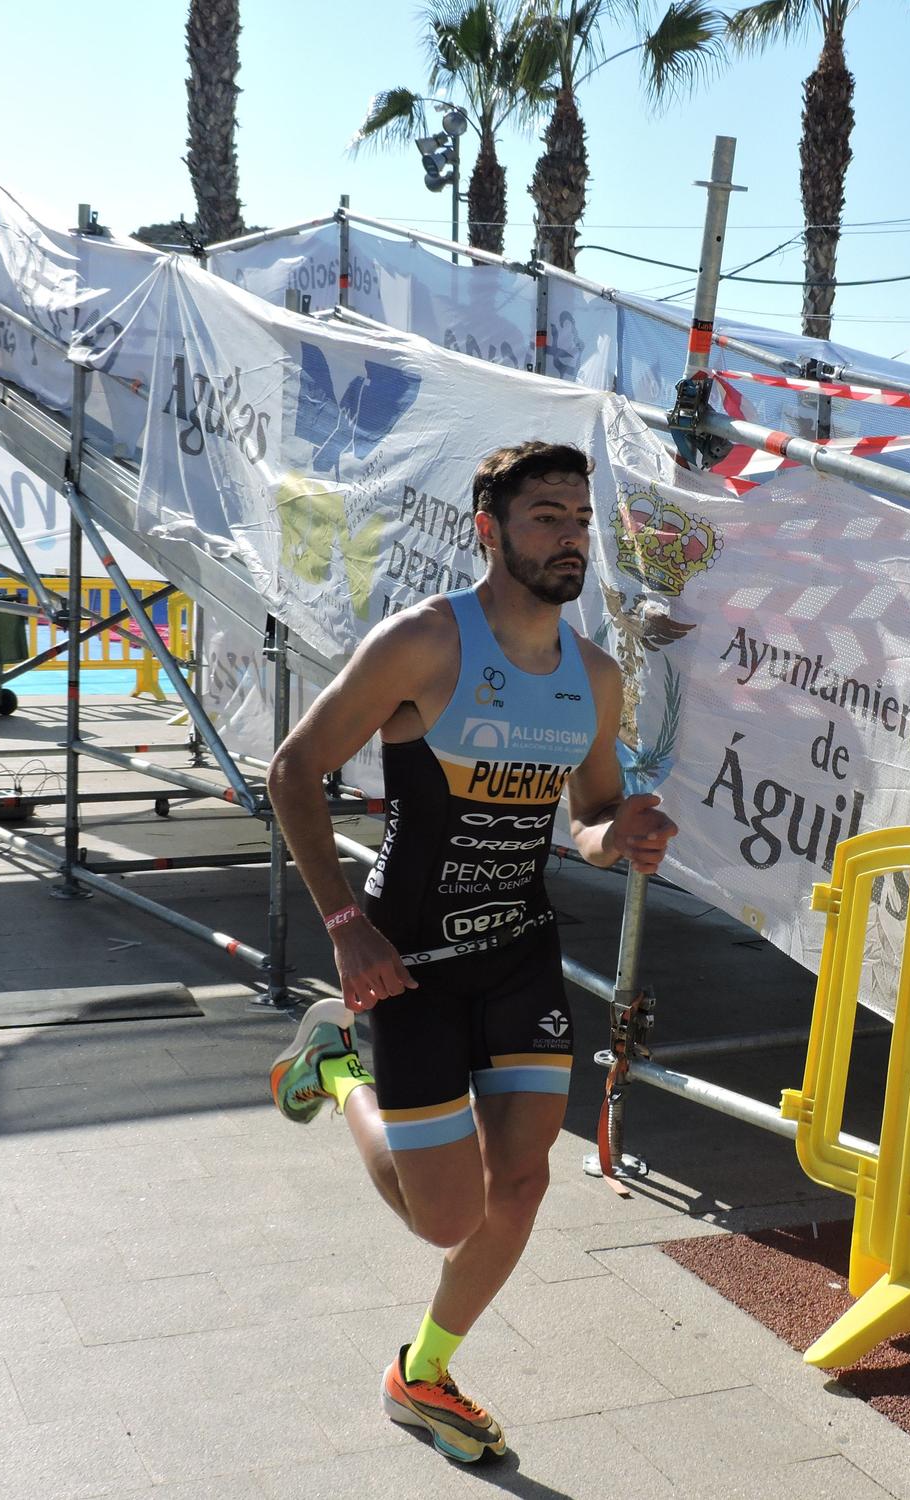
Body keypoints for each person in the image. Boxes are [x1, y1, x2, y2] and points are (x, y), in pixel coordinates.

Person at [263, 440, 677, 1464]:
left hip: (519, 953)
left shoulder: (594, 677)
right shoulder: (423, 644)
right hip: (405, 962)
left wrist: (613, 836)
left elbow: (582, 815)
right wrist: (342, 925)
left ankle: (423, 1373)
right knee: (444, 1219)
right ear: (488, 530)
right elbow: (293, 768)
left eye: (579, 520)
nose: (569, 537)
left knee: (524, 1185)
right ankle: (339, 1068)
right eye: (545, 517)